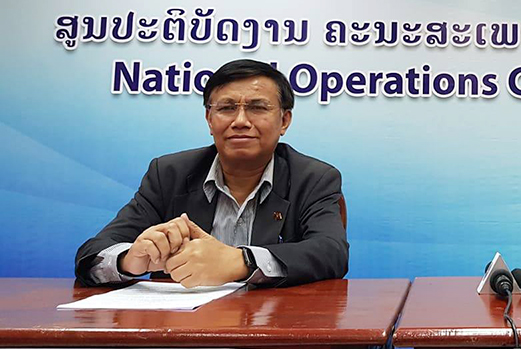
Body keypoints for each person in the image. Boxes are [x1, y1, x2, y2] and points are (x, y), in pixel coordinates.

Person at [76, 59, 348, 288]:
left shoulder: (313, 178)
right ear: (209, 119)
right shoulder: (169, 174)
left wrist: (240, 261)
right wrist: (128, 261)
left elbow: (331, 252)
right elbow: (93, 254)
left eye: (257, 107)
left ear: (284, 121)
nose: (240, 121)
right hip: (182, 326)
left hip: (271, 323)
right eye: (227, 108)